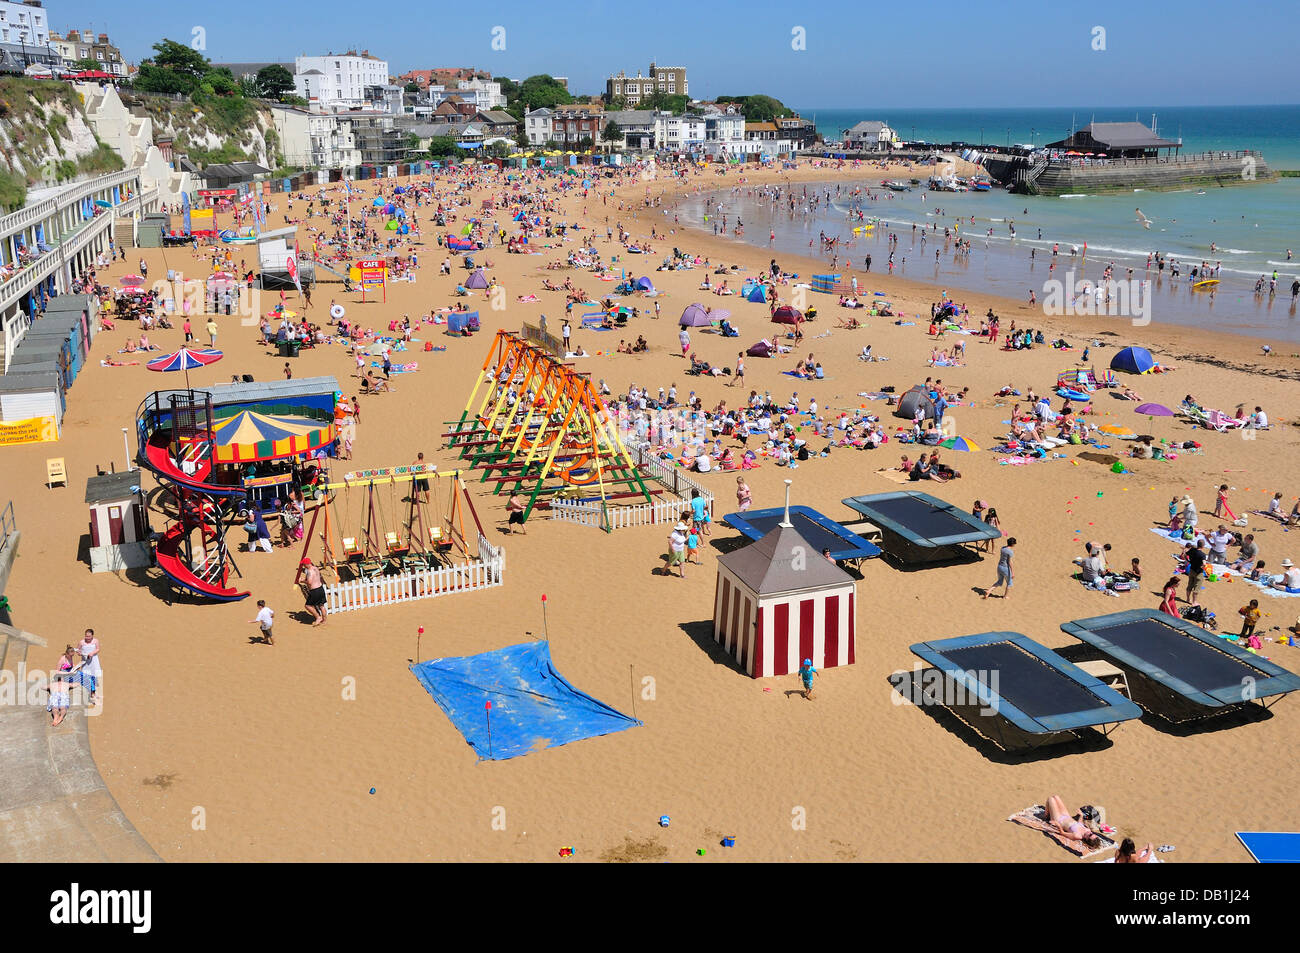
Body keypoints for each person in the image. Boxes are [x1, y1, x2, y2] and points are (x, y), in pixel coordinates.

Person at [300, 559, 328, 627]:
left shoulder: (309, 571)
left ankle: (318, 617)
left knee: (308, 606)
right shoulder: (315, 568)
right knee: (321, 606)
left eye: (304, 565)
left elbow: (309, 582)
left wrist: (302, 581)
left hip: (314, 591)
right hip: (320, 588)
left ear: (306, 564)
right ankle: (324, 621)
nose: (303, 566)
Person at [77, 629, 102, 700]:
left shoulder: (96, 641)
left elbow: (98, 649)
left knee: (94, 677)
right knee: (86, 676)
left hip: (94, 660)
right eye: (86, 636)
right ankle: (88, 693)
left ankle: (93, 693)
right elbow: (78, 650)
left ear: (92, 636)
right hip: (86, 661)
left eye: (89, 636)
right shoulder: (81, 642)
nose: (87, 638)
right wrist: (80, 653)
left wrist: (92, 653)